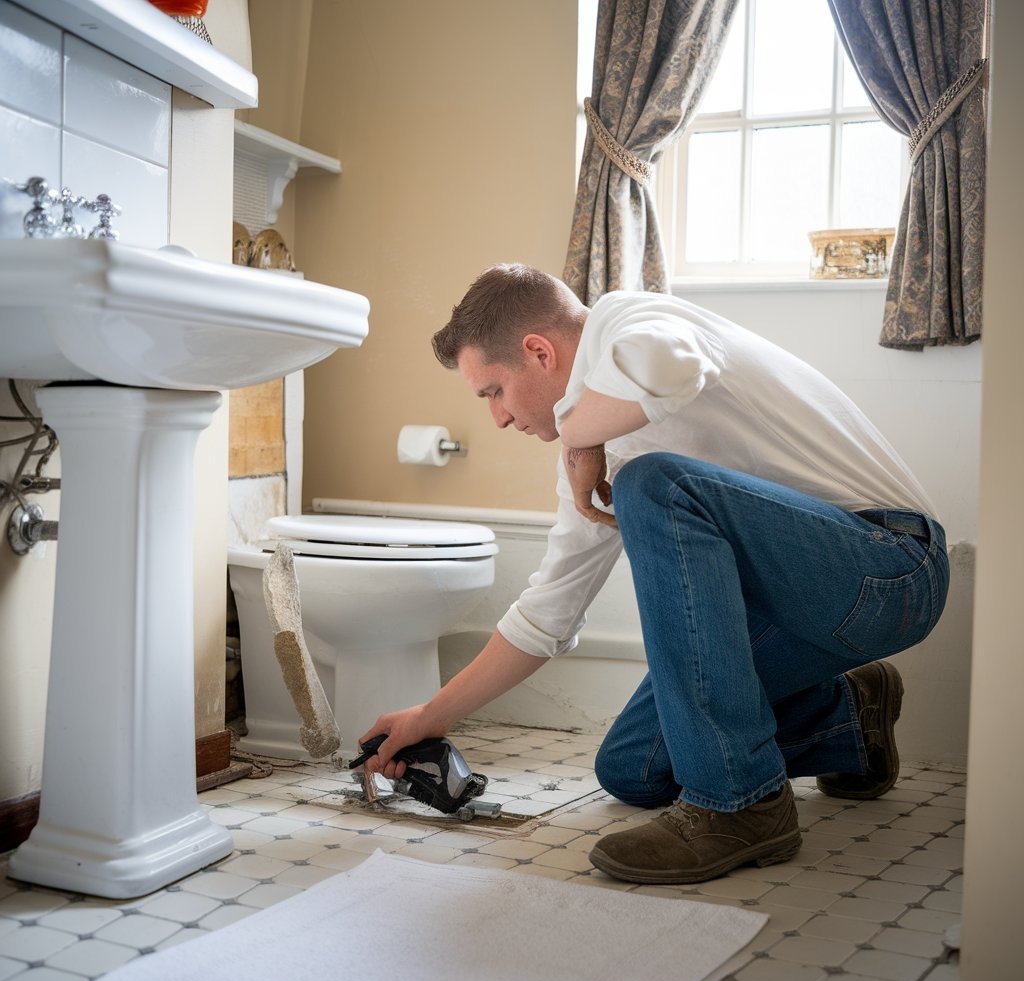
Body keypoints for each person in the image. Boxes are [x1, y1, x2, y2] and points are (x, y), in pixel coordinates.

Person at [361, 263, 950, 884]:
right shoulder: (594, 447)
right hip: (797, 613)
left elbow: (671, 369)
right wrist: (432, 715)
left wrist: (575, 437)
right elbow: (547, 614)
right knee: (633, 768)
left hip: (891, 571)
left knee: (655, 484)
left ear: (538, 352)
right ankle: (848, 719)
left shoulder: (634, 320)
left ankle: (742, 804)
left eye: (494, 392)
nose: (499, 419)